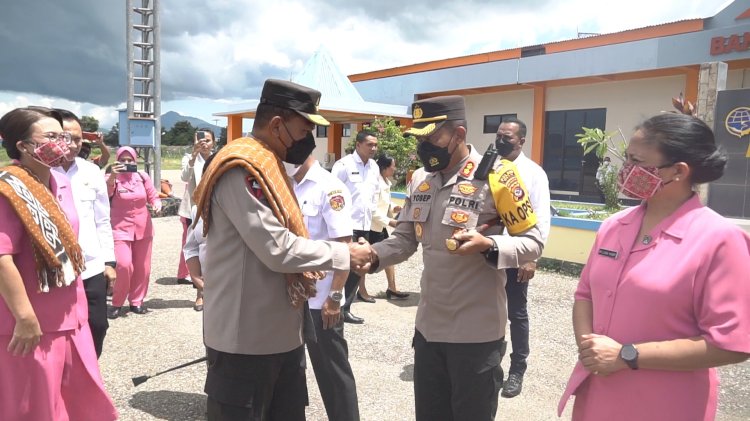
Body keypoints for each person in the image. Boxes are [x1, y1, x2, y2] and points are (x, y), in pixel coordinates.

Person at [192, 78, 371, 421]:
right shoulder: (243, 169)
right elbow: (278, 250)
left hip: (282, 336)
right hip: (246, 340)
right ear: (277, 125)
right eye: (304, 130)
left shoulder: (272, 166)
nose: (309, 141)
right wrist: (344, 255)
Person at [362, 96, 544, 421]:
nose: (423, 146)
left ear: (458, 134)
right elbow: (404, 240)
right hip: (429, 331)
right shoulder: (420, 179)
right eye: (419, 138)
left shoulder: (500, 176)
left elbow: (532, 242)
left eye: (431, 138)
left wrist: (488, 244)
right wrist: (372, 255)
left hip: (476, 336)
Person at [558, 113, 750, 420]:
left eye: (636, 161)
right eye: (626, 158)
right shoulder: (613, 226)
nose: (625, 170)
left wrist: (625, 356)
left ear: (678, 171)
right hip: (598, 394)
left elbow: (731, 344)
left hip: (665, 403)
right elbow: (585, 295)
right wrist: (591, 350)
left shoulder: (718, 240)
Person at [0, 106, 117, 420]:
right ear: (23, 146)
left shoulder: (56, 183)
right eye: (51, 137)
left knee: (77, 401)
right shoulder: (9, 189)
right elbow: (2, 259)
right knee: (34, 408)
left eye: (63, 136)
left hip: (70, 315)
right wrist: (24, 318)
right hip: (31, 323)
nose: (62, 143)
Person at [290, 155, 361, 421]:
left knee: (332, 372)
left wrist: (335, 297)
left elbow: (343, 246)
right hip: (291, 296)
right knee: (291, 371)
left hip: (321, 301)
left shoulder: (329, 187)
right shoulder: (286, 184)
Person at [52, 109, 117, 358]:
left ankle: (88, 378)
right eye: (67, 138)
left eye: (79, 139)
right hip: (55, 269)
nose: (74, 145)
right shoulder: (39, 173)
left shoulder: (91, 172)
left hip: (90, 268)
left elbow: (103, 220)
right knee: (60, 331)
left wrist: (109, 262)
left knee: (97, 326)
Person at [494, 117, 551, 397]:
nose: (501, 141)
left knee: (516, 313)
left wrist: (532, 256)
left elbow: (541, 217)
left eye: (508, 137)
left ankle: (517, 369)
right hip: (489, 253)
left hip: (518, 255)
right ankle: (492, 365)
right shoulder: (489, 167)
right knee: (489, 310)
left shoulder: (533, 173)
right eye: (499, 136)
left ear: (522, 141)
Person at [106, 146, 162, 319]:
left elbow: (153, 195)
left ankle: (137, 301)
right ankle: (116, 302)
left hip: (143, 228)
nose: (126, 163)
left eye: (130, 160)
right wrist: (113, 177)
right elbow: (106, 194)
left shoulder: (142, 177)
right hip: (119, 228)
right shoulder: (110, 178)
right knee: (124, 265)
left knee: (142, 268)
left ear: (135, 161)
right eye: (122, 160)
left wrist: (156, 204)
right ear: (117, 160)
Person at [331, 130, 380, 323]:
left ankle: (346, 308)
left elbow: (374, 193)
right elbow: (333, 193)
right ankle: (334, 304)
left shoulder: (374, 167)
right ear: (358, 145)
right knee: (341, 266)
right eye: (370, 144)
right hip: (345, 225)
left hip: (364, 223)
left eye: (375, 145)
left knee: (358, 267)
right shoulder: (343, 165)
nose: (373, 148)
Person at [176, 128, 216, 286]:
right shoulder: (189, 158)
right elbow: (184, 177)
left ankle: (207, 283)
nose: (204, 143)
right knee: (193, 246)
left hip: (214, 208)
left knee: (210, 247)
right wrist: (193, 155)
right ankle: (198, 286)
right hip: (193, 209)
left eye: (208, 140)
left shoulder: (219, 157)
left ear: (214, 142)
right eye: (200, 140)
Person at [369, 153, 409, 299]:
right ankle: (361, 291)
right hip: (371, 228)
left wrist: (394, 208)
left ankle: (392, 288)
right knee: (364, 259)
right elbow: (372, 210)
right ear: (385, 168)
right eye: (393, 166)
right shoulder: (375, 183)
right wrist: (390, 221)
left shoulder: (386, 181)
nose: (395, 169)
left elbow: (385, 202)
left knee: (388, 256)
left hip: (381, 227)